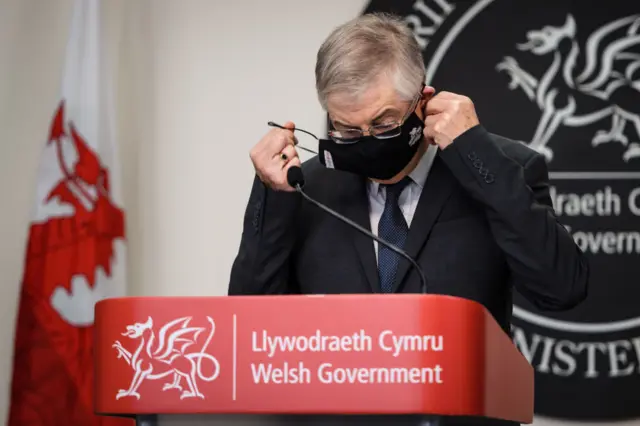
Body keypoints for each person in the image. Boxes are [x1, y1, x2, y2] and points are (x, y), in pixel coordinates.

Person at [228, 12, 589, 426]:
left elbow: (563, 288)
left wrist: (479, 156)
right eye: (346, 130)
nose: (366, 141)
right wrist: (271, 197)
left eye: (383, 123)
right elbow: (249, 334)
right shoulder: (305, 187)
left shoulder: (500, 169)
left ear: (423, 101)